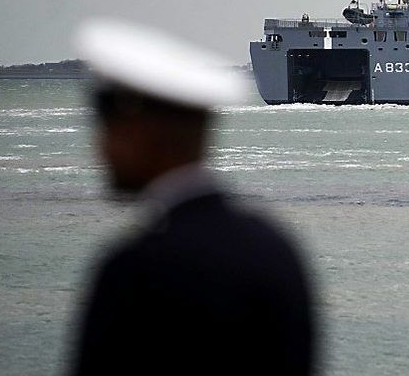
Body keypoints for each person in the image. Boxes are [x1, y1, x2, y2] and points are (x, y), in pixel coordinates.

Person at [69, 19, 319, 375]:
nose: (101, 149)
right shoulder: (276, 248)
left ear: (142, 131)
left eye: (108, 128)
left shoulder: (135, 268)